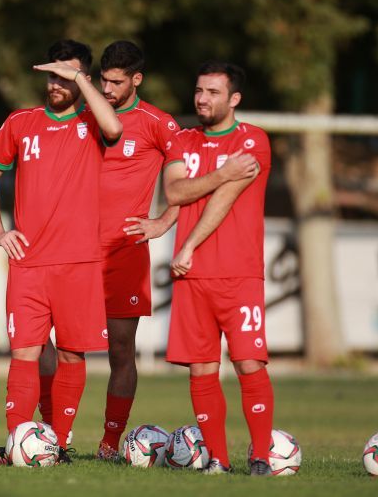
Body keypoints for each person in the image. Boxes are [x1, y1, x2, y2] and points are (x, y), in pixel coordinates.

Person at [35, 41, 258, 460]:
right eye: (104, 81)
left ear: (136, 80)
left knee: (121, 349)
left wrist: (162, 221)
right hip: (72, 249)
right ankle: (52, 436)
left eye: (117, 82)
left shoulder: (159, 123)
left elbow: (186, 181)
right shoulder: (84, 115)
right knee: (55, 344)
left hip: (124, 251)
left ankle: (109, 442)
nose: (108, 89)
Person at [0, 39, 122, 464]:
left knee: (71, 353)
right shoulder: (20, 122)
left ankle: (55, 443)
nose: (56, 83)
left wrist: (80, 78)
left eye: (65, 76)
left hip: (79, 262)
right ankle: (16, 443)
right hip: (28, 262)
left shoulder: (92, 121)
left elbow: (115, 129)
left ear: (82, 79)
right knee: (24, 352)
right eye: (52, 75)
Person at [163, 60, 273, 476]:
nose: (202, 98)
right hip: (192, 276)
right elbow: (175, 191)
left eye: (212, 92)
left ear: (234, 99)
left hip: (239, 273)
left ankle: (260, 457)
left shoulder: (253, 139)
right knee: (201, 369)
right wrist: (222, 171)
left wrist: (189, 243)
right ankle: (218, 460)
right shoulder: (183, 139)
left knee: (249, 362)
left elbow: (226, 197)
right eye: (199, 90)